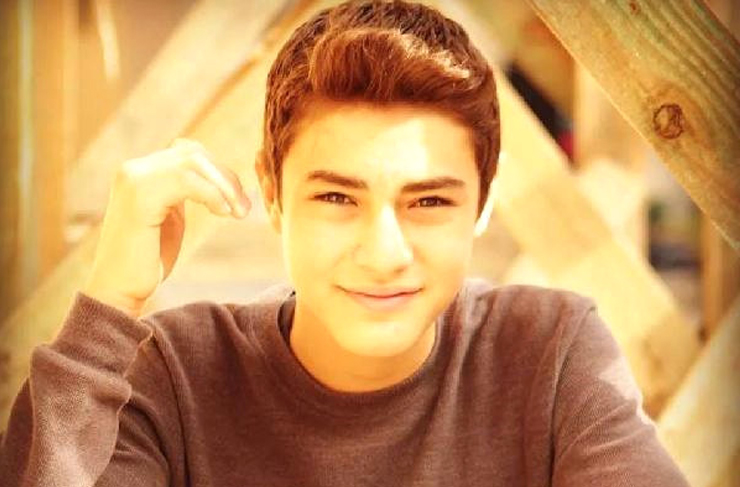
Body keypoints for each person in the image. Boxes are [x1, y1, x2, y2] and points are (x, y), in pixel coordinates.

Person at [0, 1, 689, 485]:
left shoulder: (552, 352)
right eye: (336, 198)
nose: (384, 253)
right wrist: (107, 307)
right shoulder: (169, 377)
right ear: (272, 193)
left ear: (482, 202)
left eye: (429, 201)